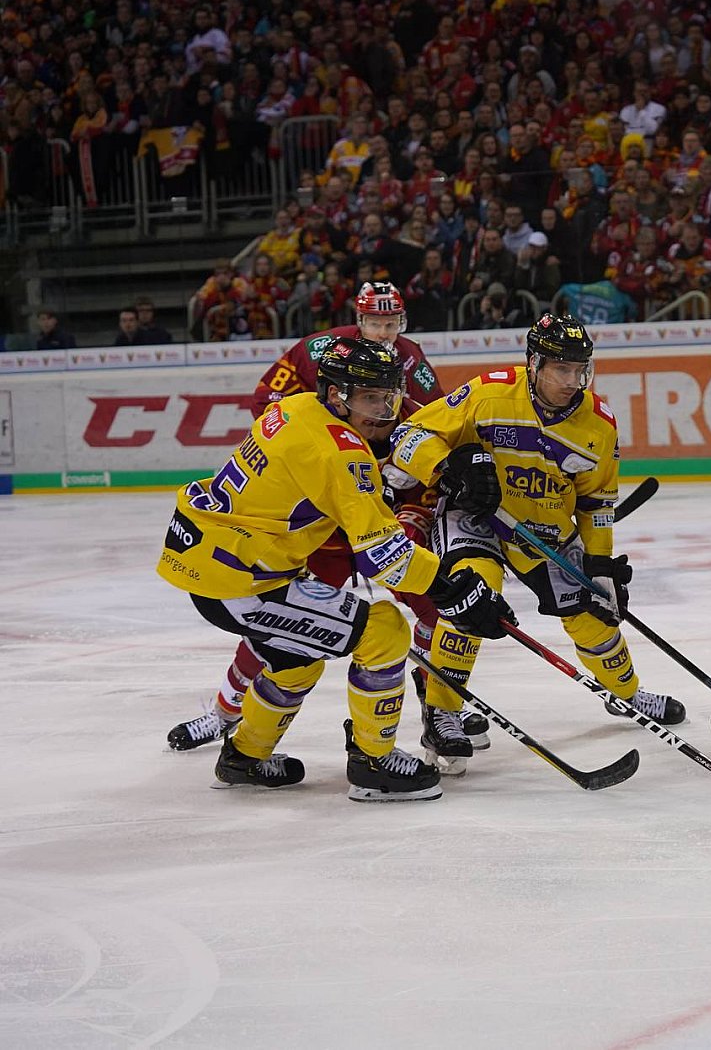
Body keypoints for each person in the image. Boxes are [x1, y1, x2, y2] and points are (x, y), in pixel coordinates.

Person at [155, 338, 515, 799]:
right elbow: (385, 556)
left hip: (214, 560)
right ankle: (373, 764)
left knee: (294, 659)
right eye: (370, 398)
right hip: (242, 582)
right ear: (335, 395)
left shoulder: (294, 408)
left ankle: (244, 757)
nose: (383, 411)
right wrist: (456, 589)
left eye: (389, 397)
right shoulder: (343, 453)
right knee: (384, 630)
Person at [167, 282, 458, 752]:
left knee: (435, 609)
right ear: (358, 321)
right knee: (283, 625)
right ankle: (224, 713)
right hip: (320, 523)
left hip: (378, 513)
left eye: (392, 323)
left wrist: (412, 490)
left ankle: (439, 710)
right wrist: (323, 460)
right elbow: (269, 401)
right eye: (375, 322)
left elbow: (434, 426)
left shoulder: (411, 361)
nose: (384, 332)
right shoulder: (320, 351)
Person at [388, 313, 684, 769]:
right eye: (562, 369)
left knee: (594, 615)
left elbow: (597, 503)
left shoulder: (598, 424)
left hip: (543, 527)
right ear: (534, 363)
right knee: (472, 595)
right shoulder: (489, 393)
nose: (573, 381)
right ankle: (442, 713)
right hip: (476, 517)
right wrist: (448, 467)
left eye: (580, 370)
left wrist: (599, 565)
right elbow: (408, 436)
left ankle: (626, 694)